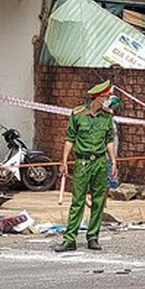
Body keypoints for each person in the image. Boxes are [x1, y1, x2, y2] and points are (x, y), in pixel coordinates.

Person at [54, 80, 118, 252]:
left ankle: (93, 237)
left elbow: (109, 141)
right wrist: (64, 161)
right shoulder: (78, 114)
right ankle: (70, 239)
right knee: (78, 201)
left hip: (100, 162)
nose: (107, 100)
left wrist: (113, 162)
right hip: (82, 162)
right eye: (105, 97)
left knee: (99, 201)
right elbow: (70, 139)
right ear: (97, 98)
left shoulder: (107, 116)